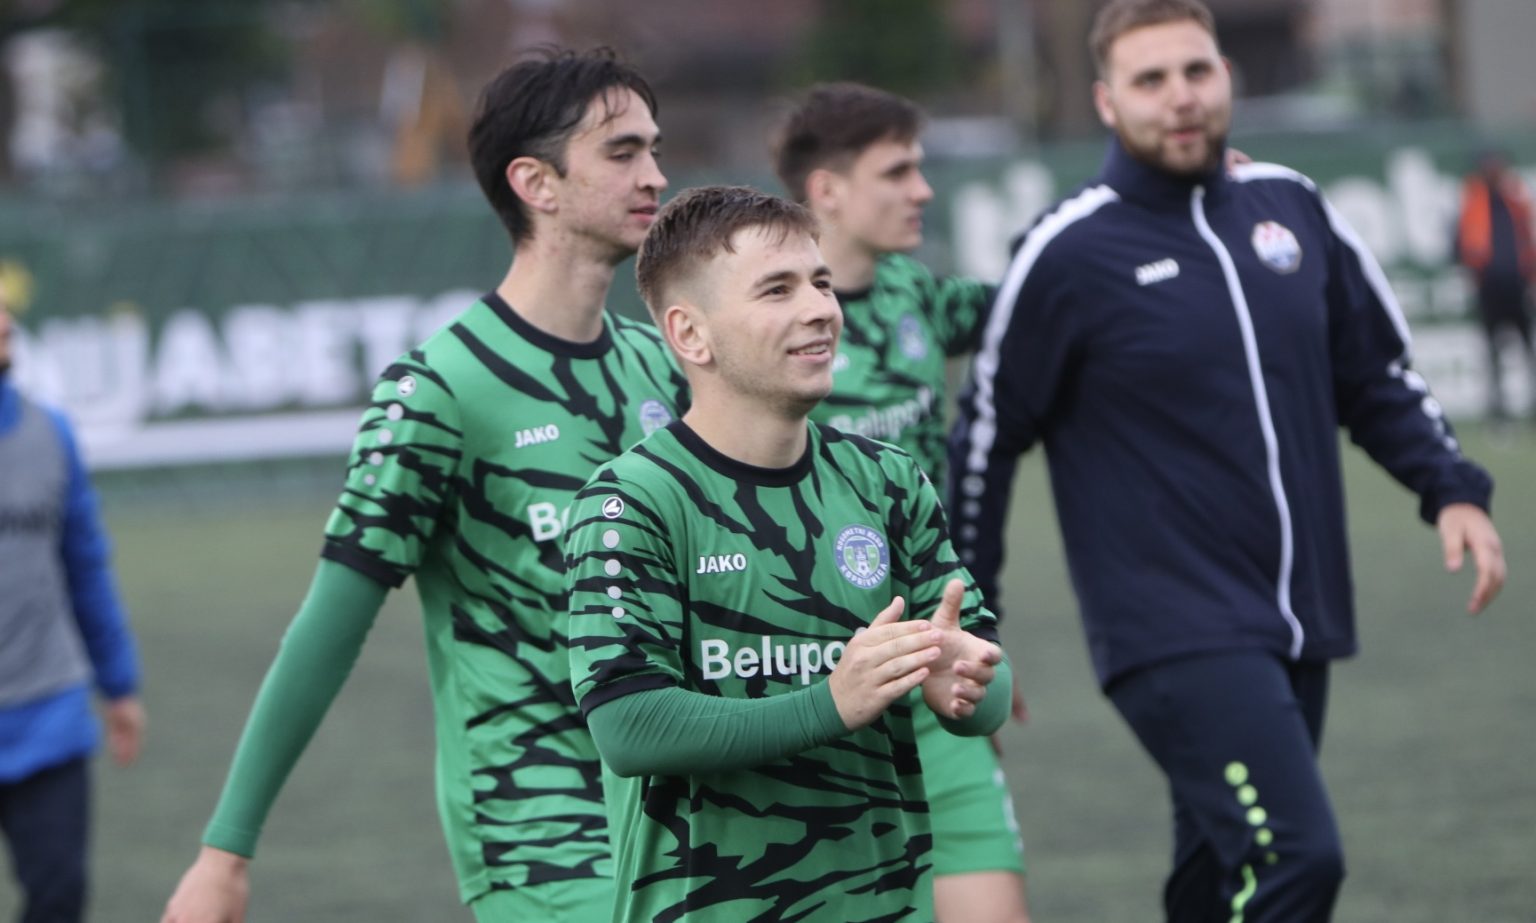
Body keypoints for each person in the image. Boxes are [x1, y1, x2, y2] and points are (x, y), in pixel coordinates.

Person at [947, 1, 1507, 920]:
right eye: (1150, 80)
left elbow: (1375, 375)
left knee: (1216, 877)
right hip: (1168, 628)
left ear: (1227, 77)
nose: (1181, 97)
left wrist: (1451, 488)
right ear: (1107, 101)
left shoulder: (1291, 206)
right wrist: (975, 618)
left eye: (1196, 71)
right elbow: (984, 437)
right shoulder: (1069, 250)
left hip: (1299, 614)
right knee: (1296, 855)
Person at [162, 48, 686, 923]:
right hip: (539, 827)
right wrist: (226, 848)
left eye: (654, 149)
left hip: (677, 808)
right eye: (622, 151)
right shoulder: (442, 388)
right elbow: (330, 624)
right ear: (536, 183)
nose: (655, 175)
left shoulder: (660, 369)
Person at [564, 185, 1011, 922]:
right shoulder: (632, 500)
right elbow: (629, 725)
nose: (820, 309)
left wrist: (965, 683)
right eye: (778, 289)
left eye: (821, 282)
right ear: (690, 334)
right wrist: (831, 702)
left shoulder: (888, 480)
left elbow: (985, 685)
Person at [773, 82, 1030, 923]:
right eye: (897, 172)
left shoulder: (912, 292)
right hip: (819, 693)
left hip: (933, 658)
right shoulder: (758, 340)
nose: (922, 190)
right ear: (826, 190)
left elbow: (1037, 298)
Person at [0, 295, 146, 923]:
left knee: (59, 897)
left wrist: (119, 684)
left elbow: (84, 564)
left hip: (47, 715)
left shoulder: (50, 434)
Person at [1454, 149, 1536, 420]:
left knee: (1528, 348)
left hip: (1517, 285)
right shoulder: (1472, 201)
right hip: (1489, 288)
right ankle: (1498, 410)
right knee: (1492, 352)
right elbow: (1460, 245)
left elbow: (1527, 242)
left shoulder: (1516, 199)